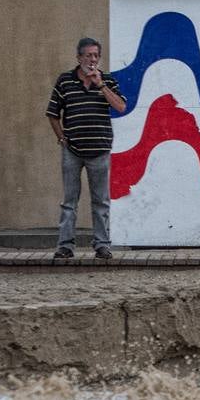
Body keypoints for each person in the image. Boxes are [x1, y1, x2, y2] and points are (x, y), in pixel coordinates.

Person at [47, 37, 127, 259]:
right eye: (88, 55)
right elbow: (53, 113)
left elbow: (121, 106)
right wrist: (62, 138)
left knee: (100, 200)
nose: (92, 60)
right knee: (69, 201)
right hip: (72, 150)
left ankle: (102, 244)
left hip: (100, 149)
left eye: (96, 55)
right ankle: (65, 246)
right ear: (79, 57)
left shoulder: (108, 81)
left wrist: (100, 84)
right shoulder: (65, 81)